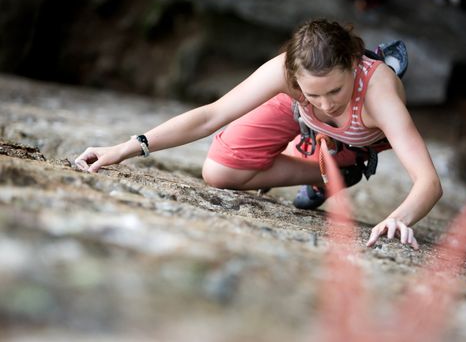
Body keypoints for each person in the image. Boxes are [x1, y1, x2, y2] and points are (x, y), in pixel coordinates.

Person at [75, 19, 443, 250]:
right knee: (219, 173)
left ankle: (343, 162)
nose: (327, 103)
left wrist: (399, 217)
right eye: (313, 91)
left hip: (355, 136)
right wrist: (128, 146)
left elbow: (427, 180)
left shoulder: (378, 92)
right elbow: (212, 115)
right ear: (293, 76)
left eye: (335, 91)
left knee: (322, 119)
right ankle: (328, 168)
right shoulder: (285, 75)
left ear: (352, 65)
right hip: (297, 115)